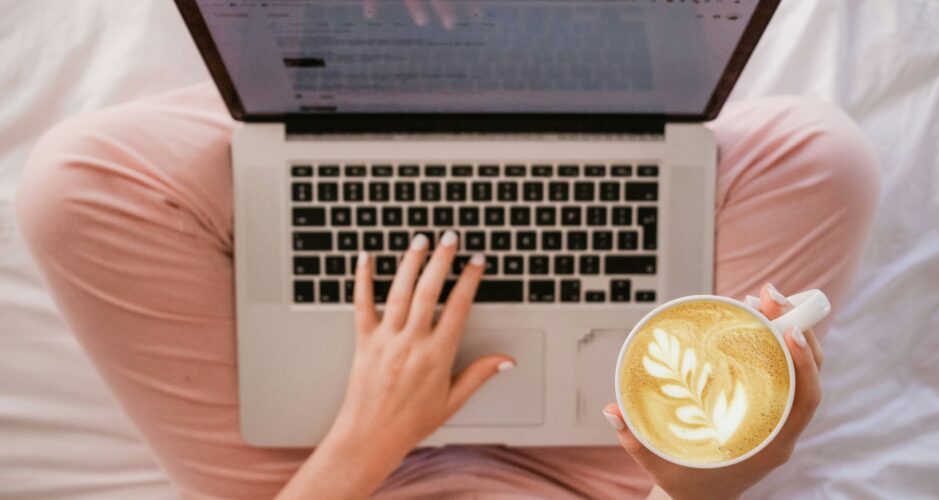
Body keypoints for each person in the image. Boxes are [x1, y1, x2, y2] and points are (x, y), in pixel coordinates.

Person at [15, 81, 880, 498]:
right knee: (820, 157)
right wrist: (704, 481)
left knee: (76, 184)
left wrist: (368, 431)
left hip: (323, 472)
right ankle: (540, 85)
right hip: (598, 481)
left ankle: (361, 89)